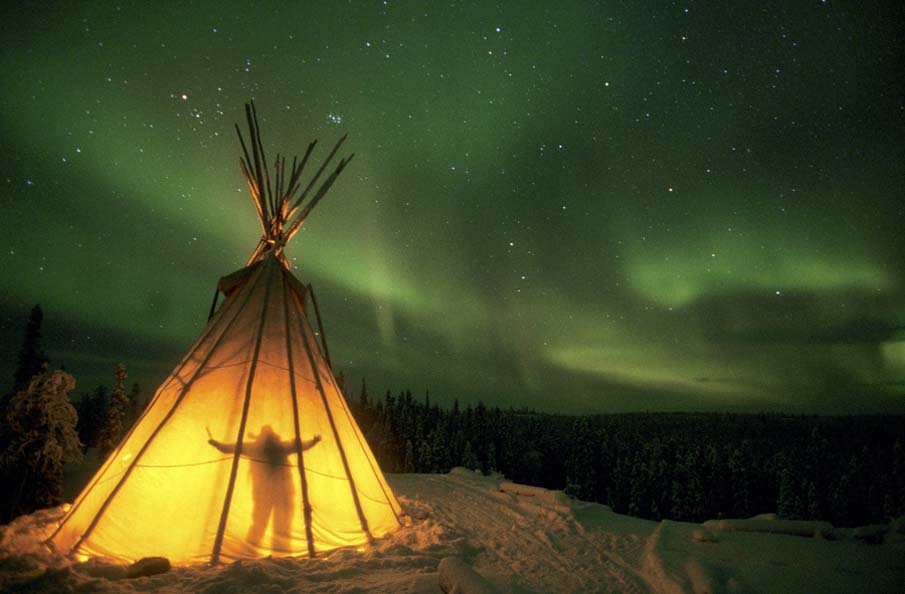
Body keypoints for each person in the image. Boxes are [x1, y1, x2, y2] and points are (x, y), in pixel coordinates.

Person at [207, 425, 321, 552]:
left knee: (279, 524)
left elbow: (298, 446)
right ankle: (252, 551)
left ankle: (277, 551)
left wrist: (312, 442)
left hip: (281, 493)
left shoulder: (275, 447)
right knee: (262, 523)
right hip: (268, 494)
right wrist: (218, 445)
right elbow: (232, 448)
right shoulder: (261, 448)